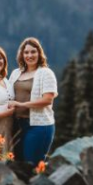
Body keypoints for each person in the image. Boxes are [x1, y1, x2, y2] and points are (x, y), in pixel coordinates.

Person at [7, 37, 58, 166]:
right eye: (26, 52)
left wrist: (21, 105)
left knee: (32, 165)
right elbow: (8, 96)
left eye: (33, 52)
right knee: (18, 164)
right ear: (22, 55)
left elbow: (48, 99)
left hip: (39, 127)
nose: (30, 55)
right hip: (17, 126)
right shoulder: (15, 73)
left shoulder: (46, 73)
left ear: (39, 53)